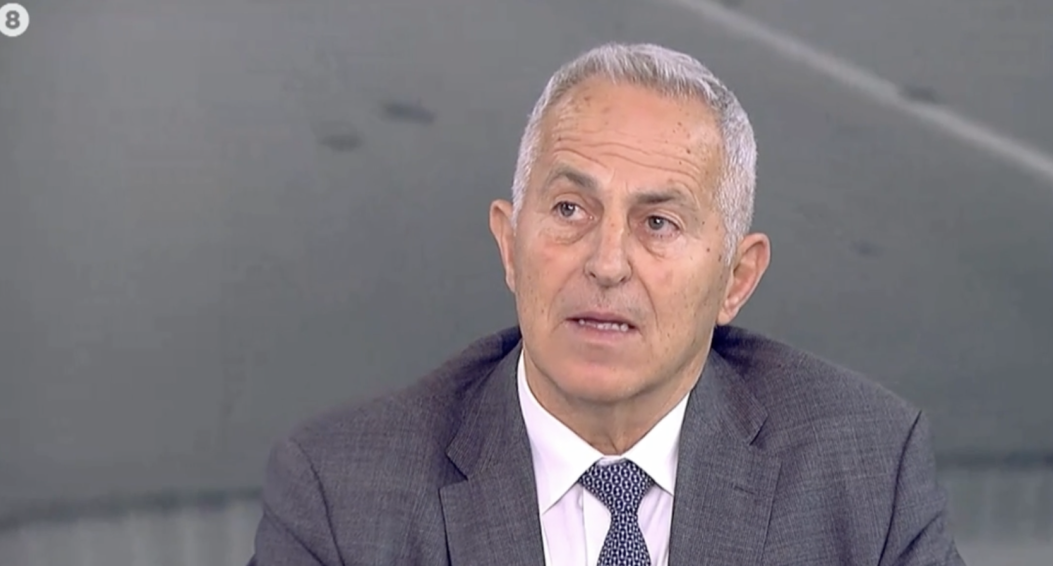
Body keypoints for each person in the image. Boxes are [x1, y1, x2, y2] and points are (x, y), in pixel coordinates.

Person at [249, 42, 965, 566]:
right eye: (570, 209)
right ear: (509, 245)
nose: (607, 261)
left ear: (736, 280)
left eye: (658, 223)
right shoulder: (344, 497)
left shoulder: (864, 472)